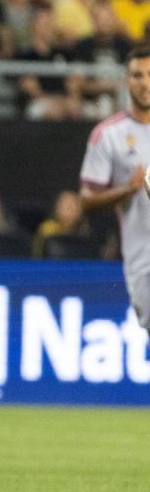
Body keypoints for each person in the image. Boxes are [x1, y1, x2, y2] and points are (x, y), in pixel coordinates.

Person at [79, 45, 150, 334]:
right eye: (137, 75)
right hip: (143, 260)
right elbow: (86, 201)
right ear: (125, 79)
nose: (145, 83)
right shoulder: (107, 135)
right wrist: (127, 190)